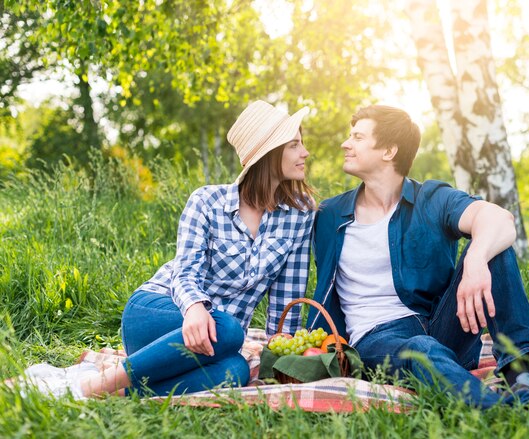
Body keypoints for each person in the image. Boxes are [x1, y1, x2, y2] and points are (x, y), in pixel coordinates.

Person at [23, 100, 316, 398]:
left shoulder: (300, 213)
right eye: (294, 145)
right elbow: (185, 271)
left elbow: (287, 296)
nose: (304, 152)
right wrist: (194, 308)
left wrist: (285, 357)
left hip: (214, 341)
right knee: (229, 329)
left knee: (236, 371)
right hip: (161, 313)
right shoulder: (207, 202)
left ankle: (113, 390)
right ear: (268, 153)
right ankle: (89, 386)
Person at [307, 105, 529, 410]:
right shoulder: (329, 215)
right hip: (378, 341)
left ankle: (523, 377)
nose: (346, 144)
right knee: (421, 348)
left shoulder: (431, 198)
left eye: (357, 137)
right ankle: (505, 414)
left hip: (444, 326)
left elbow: (500, 219)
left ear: (388, 151)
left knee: (494, 246)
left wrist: (476, 260)